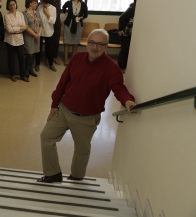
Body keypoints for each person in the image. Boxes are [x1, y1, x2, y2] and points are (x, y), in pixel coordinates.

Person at [37, 29, 137, 183]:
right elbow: (62, 83)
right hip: (64, 110)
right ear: (87, 43)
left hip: (86, 118)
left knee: (82, 150)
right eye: (92, 42)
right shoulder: (77, 58)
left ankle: (76, 177)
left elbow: (119, 88)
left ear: (106, 46)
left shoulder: (111, 68)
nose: (95, 47)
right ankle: (53, 173)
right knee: (46, 137)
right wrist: (54, 105)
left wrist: (127, 100)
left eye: (100, 44)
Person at [4, 0, 29, 82]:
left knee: (22, 57)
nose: (12, 6)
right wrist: (20, 27)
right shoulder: (6, 16)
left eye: (13, 4)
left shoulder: (20, 14)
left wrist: (16, 28)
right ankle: (12, 74)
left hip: (19, 39)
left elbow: (25, 27)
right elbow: (9, 30)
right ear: (8, 6)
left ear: (16, 5)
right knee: (11, 58)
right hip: (10, 40)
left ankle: (23, 75)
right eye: (10, 5)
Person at [62, 0, 88, 66]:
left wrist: (81, 18)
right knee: (67, 42)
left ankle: (73, 60)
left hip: (78, 24)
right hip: (69, 23)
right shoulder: (69, 3)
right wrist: (65, 13)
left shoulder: (83, 4)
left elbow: (86, 15)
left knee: (75, 43)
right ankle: (66, 60)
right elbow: (63, 7)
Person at [23, 0, 43, 78]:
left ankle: (31, 70)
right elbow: (26, 27)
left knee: (34, 53)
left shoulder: (37, 13)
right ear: (30, 4)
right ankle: (26, 71)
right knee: (29, 54)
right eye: (35, 3)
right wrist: (34, 34)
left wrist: (39, 34)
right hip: (29, 37)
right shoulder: (24, 14)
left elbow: (41, 25)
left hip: (37, 36)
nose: (37, 4)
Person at [37, 0, 57, 72]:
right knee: (39, 48)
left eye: (42, 0)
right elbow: (38, 19)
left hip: (49, 31)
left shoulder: (53, 8)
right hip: (40, 31)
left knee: (49, 49)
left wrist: (47, 14)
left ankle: (51, 64)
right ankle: (37, 64)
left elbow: (53, 22)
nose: (40, 1)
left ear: (46, 0)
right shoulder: (39, 7)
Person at [118, 0, 136, 73]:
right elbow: (121, 18)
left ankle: (125, 66)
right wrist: (121, 30)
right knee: (124, 50)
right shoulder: (132, 8)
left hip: (130, 34)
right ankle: (120, 67)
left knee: (128, 51)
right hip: (126, 33)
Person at [50, 0, 62, 66]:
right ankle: (48, 58)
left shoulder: (59, 1)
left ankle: (54, 57)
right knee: (49, 41)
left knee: (56, 41)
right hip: (50, 24)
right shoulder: (48, 2)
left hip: (57, 24)